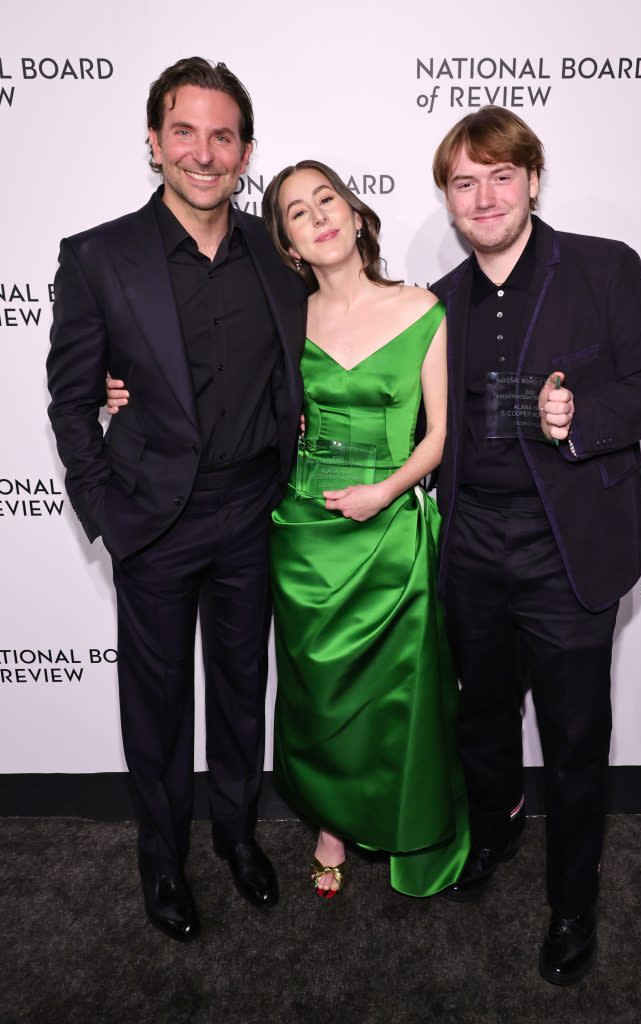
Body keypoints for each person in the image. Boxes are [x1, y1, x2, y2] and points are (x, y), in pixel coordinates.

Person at [109, 161, 469, 899]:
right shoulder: (283, 313)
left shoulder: (422, 307)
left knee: (397, 692)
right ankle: (330, 823)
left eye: (326, 199)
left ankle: (401, 821)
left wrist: (384, 492)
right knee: (317, 695)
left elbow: (437, 439)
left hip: (389, 527)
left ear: (357, 214)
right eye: (298, 212)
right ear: (291, 246)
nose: (319, 216)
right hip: (300, 529)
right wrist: (124, 387)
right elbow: (203, 380)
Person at [47, 57, 307, 942]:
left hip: (251, 513)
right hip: (152, 522)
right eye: (185, 131)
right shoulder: (98, 257)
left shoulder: (279, 261)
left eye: (223, 135)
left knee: (241, 695)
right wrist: (107, 514)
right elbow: (71, 400)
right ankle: (163, 863)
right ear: (153, 142)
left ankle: (236, 839)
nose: (205, 152)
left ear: (245, 152)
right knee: (155, 712)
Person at [429, 107, 641, 984]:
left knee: (575, 740)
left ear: (532, 180)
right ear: (450, 202)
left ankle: (572, 902)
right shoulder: (436, 304)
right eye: (465, 182)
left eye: (501, 175)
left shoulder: (603, 268)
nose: (485, 196)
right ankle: (493, 834)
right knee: (483, 718)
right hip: (467, 548)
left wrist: (583, 418)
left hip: (567, 552)